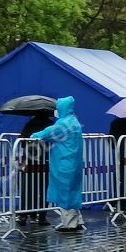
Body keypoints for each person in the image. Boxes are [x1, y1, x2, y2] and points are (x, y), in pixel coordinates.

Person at [32, 96, 85, 232]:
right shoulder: (74, 122)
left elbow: (46, 134)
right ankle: (76, 220)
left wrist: (33, 136)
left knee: (65, 192)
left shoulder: (63, 124)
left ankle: (69, 223)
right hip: (74, 163)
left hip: (64, 163)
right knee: (73, 192)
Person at [17, 112, 53, 226]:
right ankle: (42, 216)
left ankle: (24, 215)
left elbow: (22, 142)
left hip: (30, 161)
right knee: (44, 190)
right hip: (45, 162)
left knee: (27, 189)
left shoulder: (30, 124)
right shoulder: (51, 124)